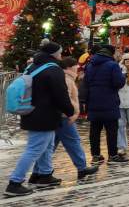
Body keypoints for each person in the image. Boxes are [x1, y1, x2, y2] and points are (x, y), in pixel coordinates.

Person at [5, 41, 76, 197]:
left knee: (48, 145)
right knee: (34, 149)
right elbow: (61, 94)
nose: (61, 54)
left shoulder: (33, 66)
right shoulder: (54, 70)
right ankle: (15, 183)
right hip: (44, 115)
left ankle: (44, 175)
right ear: (54, 54)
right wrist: (70, 110)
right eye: (60, 52)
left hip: (32, 112)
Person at [30, 57, 99, 184]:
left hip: (58, 116)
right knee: (73, 142)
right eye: (75, 66)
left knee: (48, 146)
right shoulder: (66, 79)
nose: (77, 68)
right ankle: (82, 168)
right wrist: (71, 112)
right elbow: (65, 98)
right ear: (69, 67)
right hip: (64, 117)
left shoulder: (65, 77)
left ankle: (37, 172)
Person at [84, 43, 128, 164]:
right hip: (109, 101)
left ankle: (96, 155)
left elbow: (86, 83)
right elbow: (118, 83)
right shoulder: (113, 65)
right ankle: (113, 155)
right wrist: (123, 77)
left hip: (93, 101)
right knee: (111, 130)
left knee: (94, 130)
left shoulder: (90, 65)